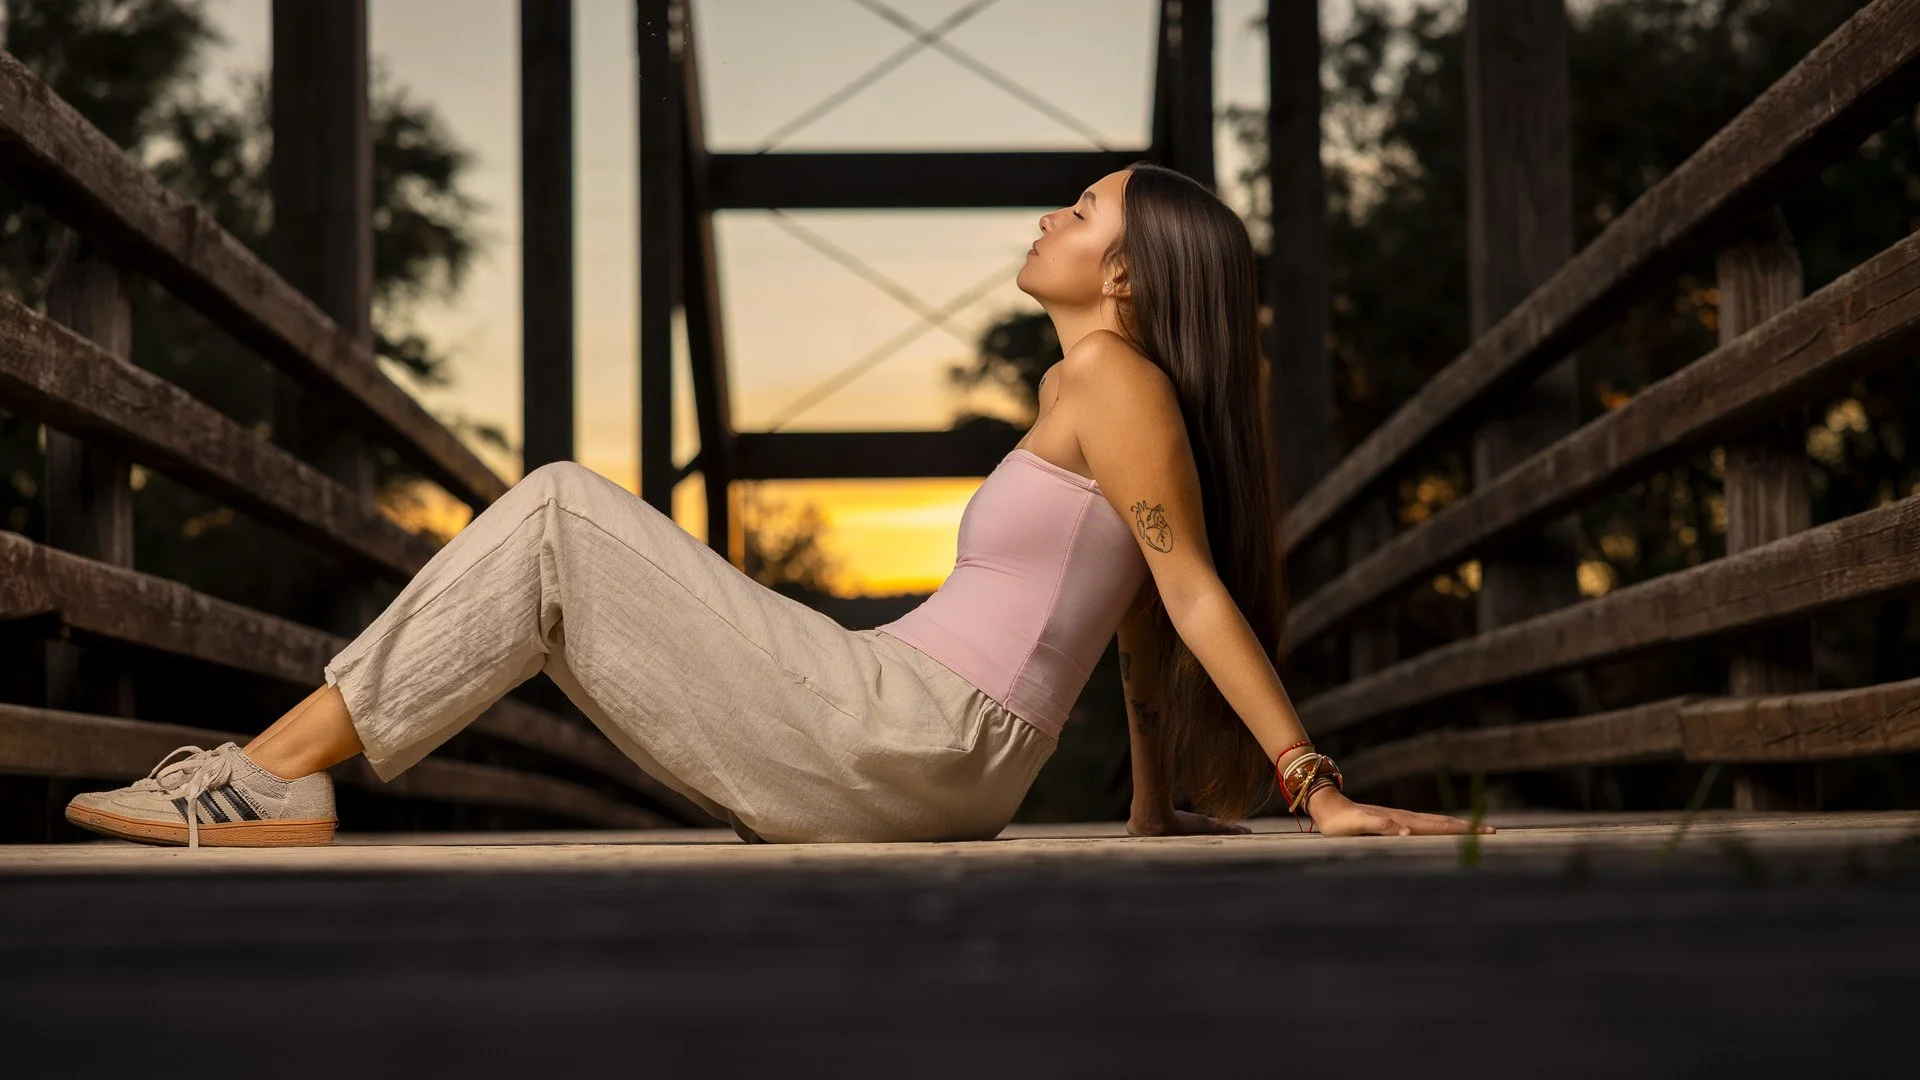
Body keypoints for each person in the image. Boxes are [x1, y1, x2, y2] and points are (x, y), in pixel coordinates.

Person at [64, 162, 1490, 848]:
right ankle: (284, 773)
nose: (1055, 215)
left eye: (1086, 209)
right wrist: (1150, 815)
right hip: (924, 746)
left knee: (559, 509)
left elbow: (1187, 592)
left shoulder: (1116, 382)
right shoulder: (1100, 397)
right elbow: (1128, 621)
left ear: (1124, 277)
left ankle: (273, 775)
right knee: (557, 592)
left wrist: (1316, 789)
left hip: (912, 730)